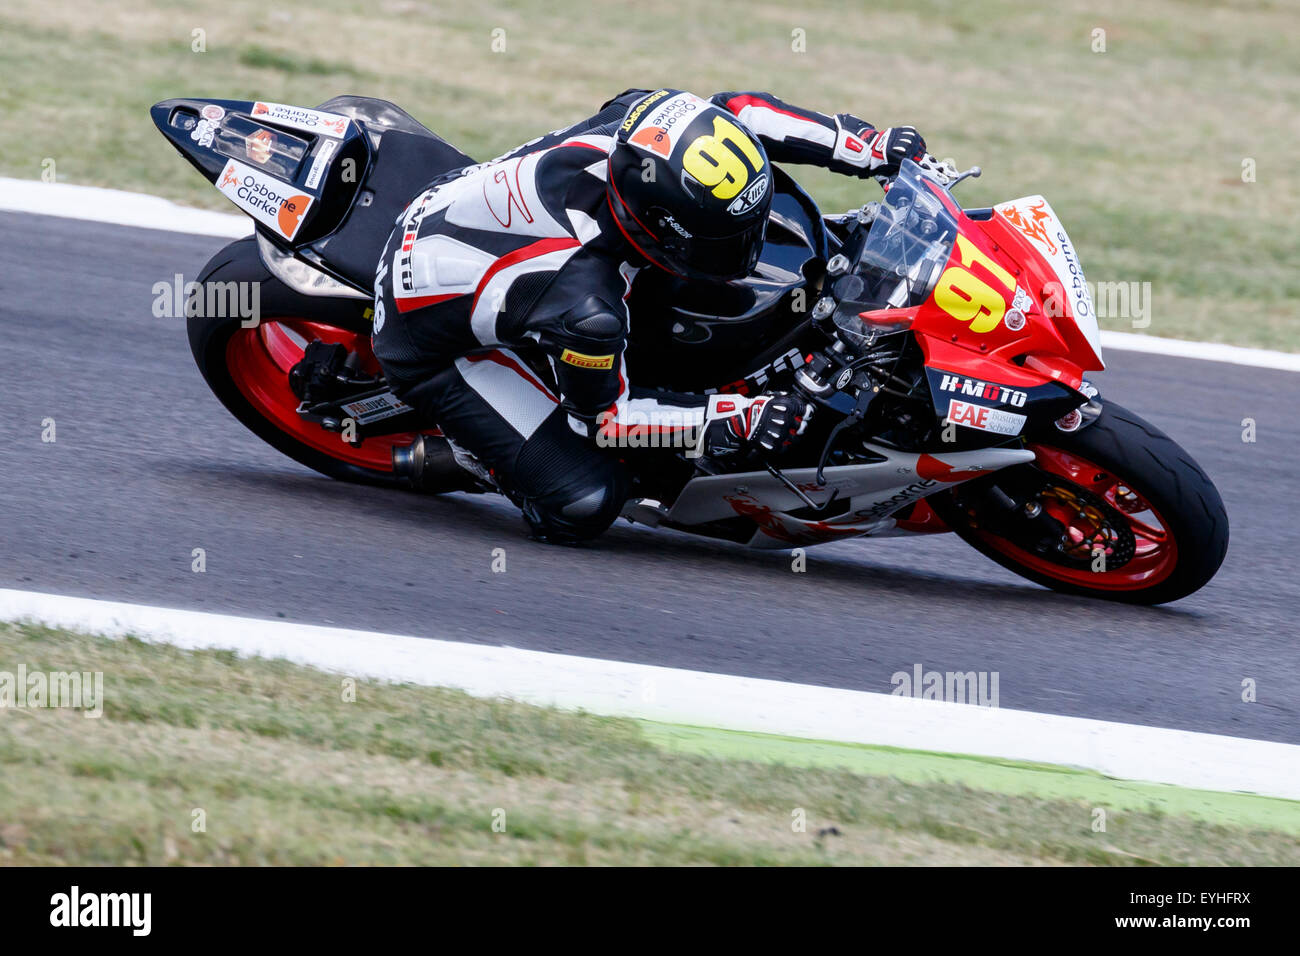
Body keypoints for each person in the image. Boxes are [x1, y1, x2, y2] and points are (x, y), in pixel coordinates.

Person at [372, 88, 931, 543]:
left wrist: (866, 146)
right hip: (431, 343)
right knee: (585, 499)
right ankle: (475, 459)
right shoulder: (588, 307)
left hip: (462, 207)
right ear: (656, 228)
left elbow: (738, 112)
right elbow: (605, 422)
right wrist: (735, 416)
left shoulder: (644, 123)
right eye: (725, 243)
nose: (748, 249)